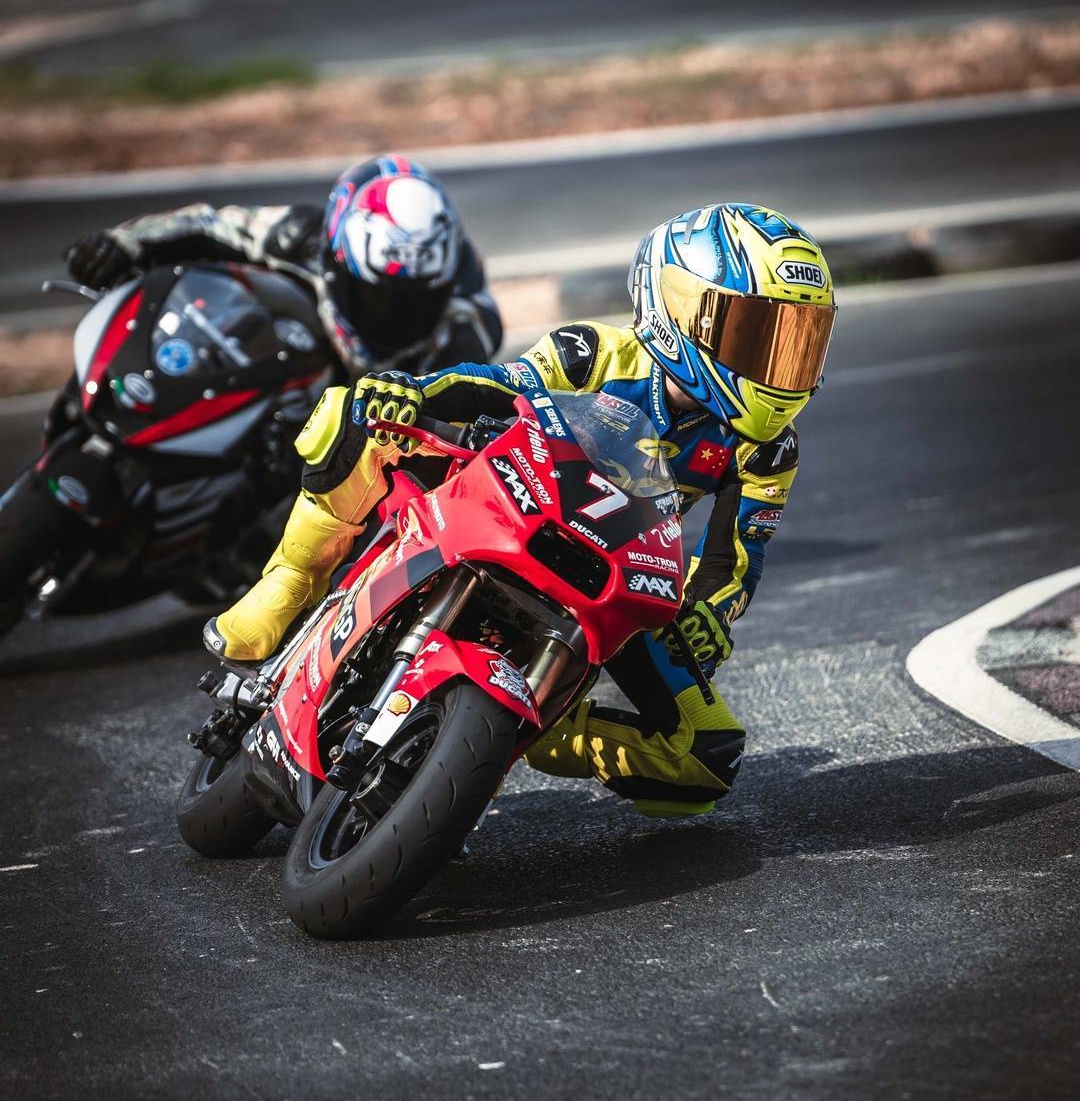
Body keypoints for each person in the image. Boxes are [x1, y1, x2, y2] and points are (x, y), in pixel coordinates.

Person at [205, 202, 835, 817]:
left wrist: (708, 616)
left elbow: (734, 561)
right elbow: (499, 383)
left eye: (796, 345)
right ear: (679, 310)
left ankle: (549, 722)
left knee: (705, 756)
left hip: (616, 570)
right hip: (515, 501)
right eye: (757, 335)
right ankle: (290, 581)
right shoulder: (596, 354)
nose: (777, 366)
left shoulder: (769, 449)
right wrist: (416, 393)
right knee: (349, 412)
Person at [63, 154, 502, 377]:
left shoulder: (465, 321)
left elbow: (482, 395)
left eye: (414, 304)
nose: (391, 315)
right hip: (272, 358)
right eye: (375, 295)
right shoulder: (301, 235)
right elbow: (209, 225)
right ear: (339, 260)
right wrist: (121, 245)